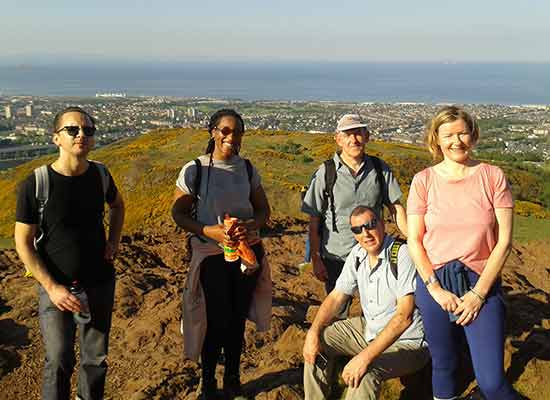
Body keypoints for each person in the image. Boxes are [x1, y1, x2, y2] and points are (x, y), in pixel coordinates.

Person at [407, 105, 518, 400]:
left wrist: (478, 294)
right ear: (436, 139)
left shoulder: (492, 176)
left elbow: (504, 241)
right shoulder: (423, 181)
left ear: (473, 135)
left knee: (492, 382)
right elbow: (414, 240)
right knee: (443, 366)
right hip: (435, 283)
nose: (456, 141)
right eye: (448, 135)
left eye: (462, 133)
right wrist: (436, 290)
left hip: (480, 280)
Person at [14, 106, 125, 400]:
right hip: (56, 287)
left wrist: (113, 241)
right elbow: (22, 242)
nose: (82, 136)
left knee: (95, 359)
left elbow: (118, 205)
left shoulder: (101, 174)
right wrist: (52, 288)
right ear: (56, 139)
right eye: (73, 130)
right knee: (59, 359)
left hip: (99, 282)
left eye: (88, 130)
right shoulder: (37, 183)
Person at [171, 109, 272, 400]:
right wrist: (208, 231)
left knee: (237, 317)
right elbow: (178, 212)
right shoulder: (197, 169)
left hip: (246, 252)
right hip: (211, 254)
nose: (231, 137)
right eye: (225, 131)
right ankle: (207, 383)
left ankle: (232, 378)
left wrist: (251, 225)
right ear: (213, 132)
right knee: (214, 318)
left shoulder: (248, 169)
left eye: (237, 132)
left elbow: (264, 210)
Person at [302, 205, 429, 400]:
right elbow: (336, 296)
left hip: (408, 342)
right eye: (357, 229)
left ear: (382, 224)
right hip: (370, 330)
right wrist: (313, 331)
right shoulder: (357, 255)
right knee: (319, 341)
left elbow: (404, 317)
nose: (365, 233)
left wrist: (363, 357)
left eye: (370, 225)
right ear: (353, 233)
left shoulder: (401, 254)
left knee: (365, 373)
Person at [301, 114, 407, 314]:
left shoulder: (379, 169)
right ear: (338, 139)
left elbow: (396, 208)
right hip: (336, 256)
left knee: (381, 310)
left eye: (358, 133)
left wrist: (413, 240)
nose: (354, 139)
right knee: (338, 311)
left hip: (375, 255)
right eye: (348, 134)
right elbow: (314, 221)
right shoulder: (326, 172)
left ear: (367, 136)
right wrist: (316, 259)